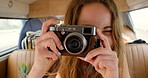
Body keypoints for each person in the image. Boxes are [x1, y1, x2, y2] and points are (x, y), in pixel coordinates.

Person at [28, 0, 130, 78]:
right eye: (88, 31)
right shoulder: (55, 55)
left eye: (108, 31)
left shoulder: (117, 58)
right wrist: (38, 69)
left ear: (115, 33)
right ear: (70, 30)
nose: (98, 39)